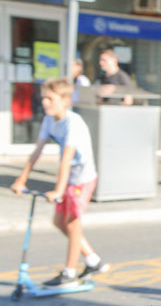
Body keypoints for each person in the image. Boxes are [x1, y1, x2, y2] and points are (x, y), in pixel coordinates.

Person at [11, 78, 109, 287]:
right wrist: (21, 179)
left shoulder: (73, 123)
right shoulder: (49, 120)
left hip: (82, 178)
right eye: (44, 97)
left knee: (73, 224)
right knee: (58, 222)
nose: (45, 102)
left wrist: (58, 189)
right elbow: (37, 151)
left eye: (50, 98)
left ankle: (70, 273)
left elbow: (66, 158)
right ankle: (93, 260)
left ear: (65, 100)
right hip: (69, 178)